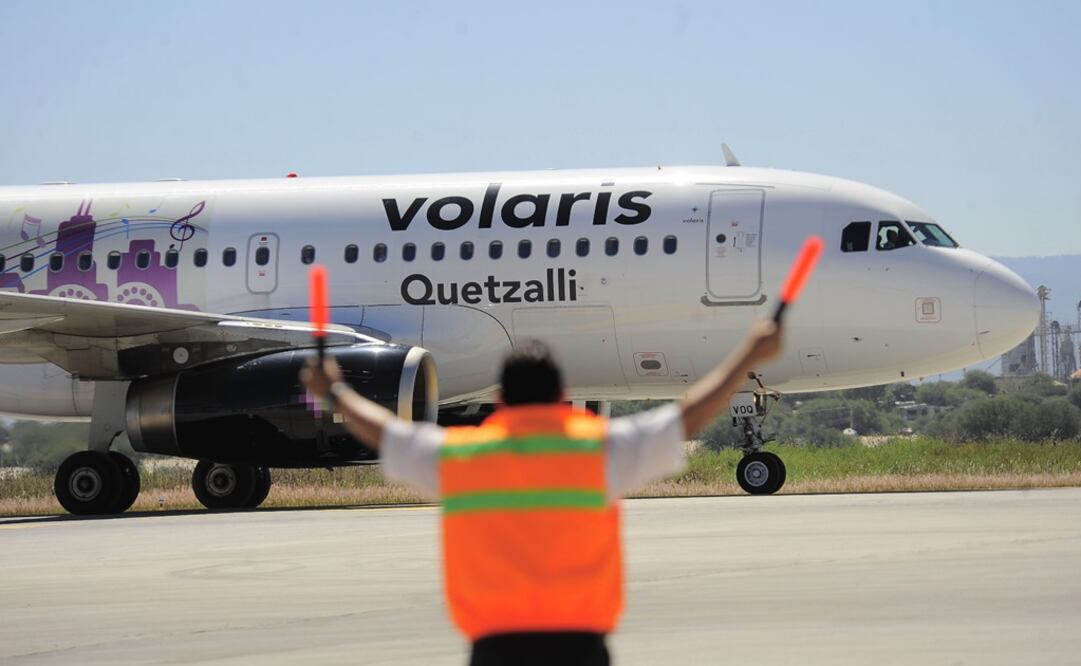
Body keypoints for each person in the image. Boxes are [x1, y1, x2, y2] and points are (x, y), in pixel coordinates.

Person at [301, 318, 783, 665]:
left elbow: (388, 433)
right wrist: (749, 356)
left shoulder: (462, 457)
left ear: (500, 398)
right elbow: (686, 417)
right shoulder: (599, 450)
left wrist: (335, 392)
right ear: (561, 394)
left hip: (495, 650)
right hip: (581, 647)